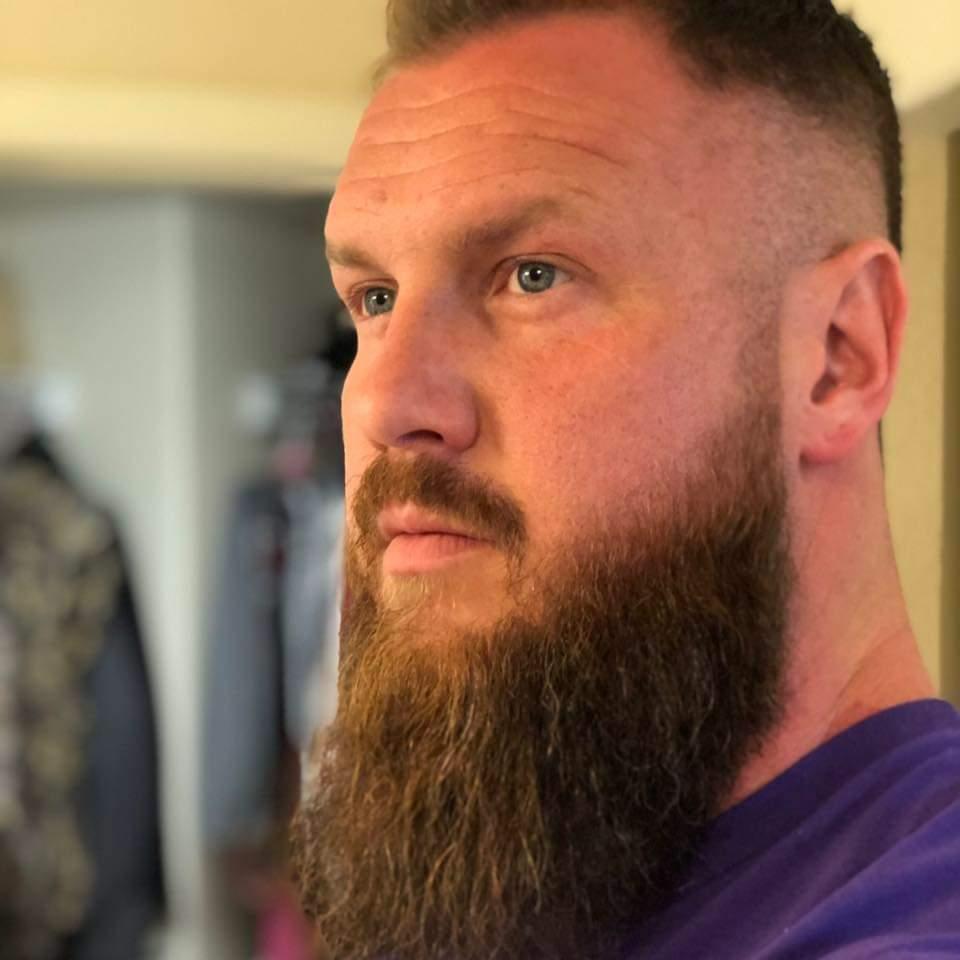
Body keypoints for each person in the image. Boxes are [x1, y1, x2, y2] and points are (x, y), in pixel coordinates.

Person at [290, 1, 960, 957]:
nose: (385, 402)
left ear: (837, 356)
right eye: (375, 298)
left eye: (533, 275)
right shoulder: (548, 871)